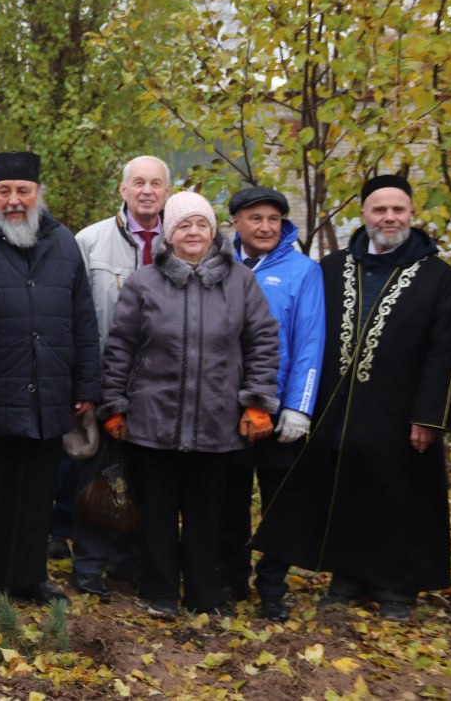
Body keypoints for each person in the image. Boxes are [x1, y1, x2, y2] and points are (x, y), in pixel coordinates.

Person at [254, 175, 451, 622]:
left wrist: (429, 415)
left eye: (398, 210)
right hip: (338, 407)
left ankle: (397, 587)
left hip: (401, 409)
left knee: (396, 492)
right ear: (364, 214)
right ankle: (347, 576)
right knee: (343, 490)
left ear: (411, 215)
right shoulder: (332, 267)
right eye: (379, 209)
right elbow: (307, 335)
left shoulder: (437, 276)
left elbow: (446, 350)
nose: (389, 218)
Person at [99, 190, 280, 617]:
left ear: (214, 231)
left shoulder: (240, 281)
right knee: (157, 514)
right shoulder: (145, 281)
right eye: (183, 225)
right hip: (152, 420)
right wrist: (115, 404)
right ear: (169, 232)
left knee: (206, 516)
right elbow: (121, 345)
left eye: (201, 224)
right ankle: (159, 592)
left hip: (217, 421)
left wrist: (256, 401)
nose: (193, 232)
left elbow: (263, 342)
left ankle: (205, 595)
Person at [0, 151, 100, 610]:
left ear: (37, 194)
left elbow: (83, 319)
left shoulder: (63, 241)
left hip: (48, 391)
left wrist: (86, 385)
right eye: (4, 191)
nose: (13, 200)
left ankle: (30, 577)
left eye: (22, 191)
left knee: (36, 494)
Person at [216, 186, 325, 622]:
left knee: (280, 503)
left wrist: (299, 407)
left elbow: (310, 342)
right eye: (255, 218)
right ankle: (231, 578)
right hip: (225, 410)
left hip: (279, 412)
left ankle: (273, 585)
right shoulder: (220, 265)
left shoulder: (302, 271)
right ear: (236, 224)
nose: (264, 227)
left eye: (273, 219)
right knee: (228, 501)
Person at [69, 155, 170, 601]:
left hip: (160, 389)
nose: (147, 190)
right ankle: (89, 566)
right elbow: (72, 316)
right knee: (96, 476)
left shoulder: (186, 238)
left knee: (146, 480)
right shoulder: (89, 241)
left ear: (168, 191)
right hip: (102, 380)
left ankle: (129, 563)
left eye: (156, 183)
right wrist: (82, 383)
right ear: (123, 190)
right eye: (138, 183)